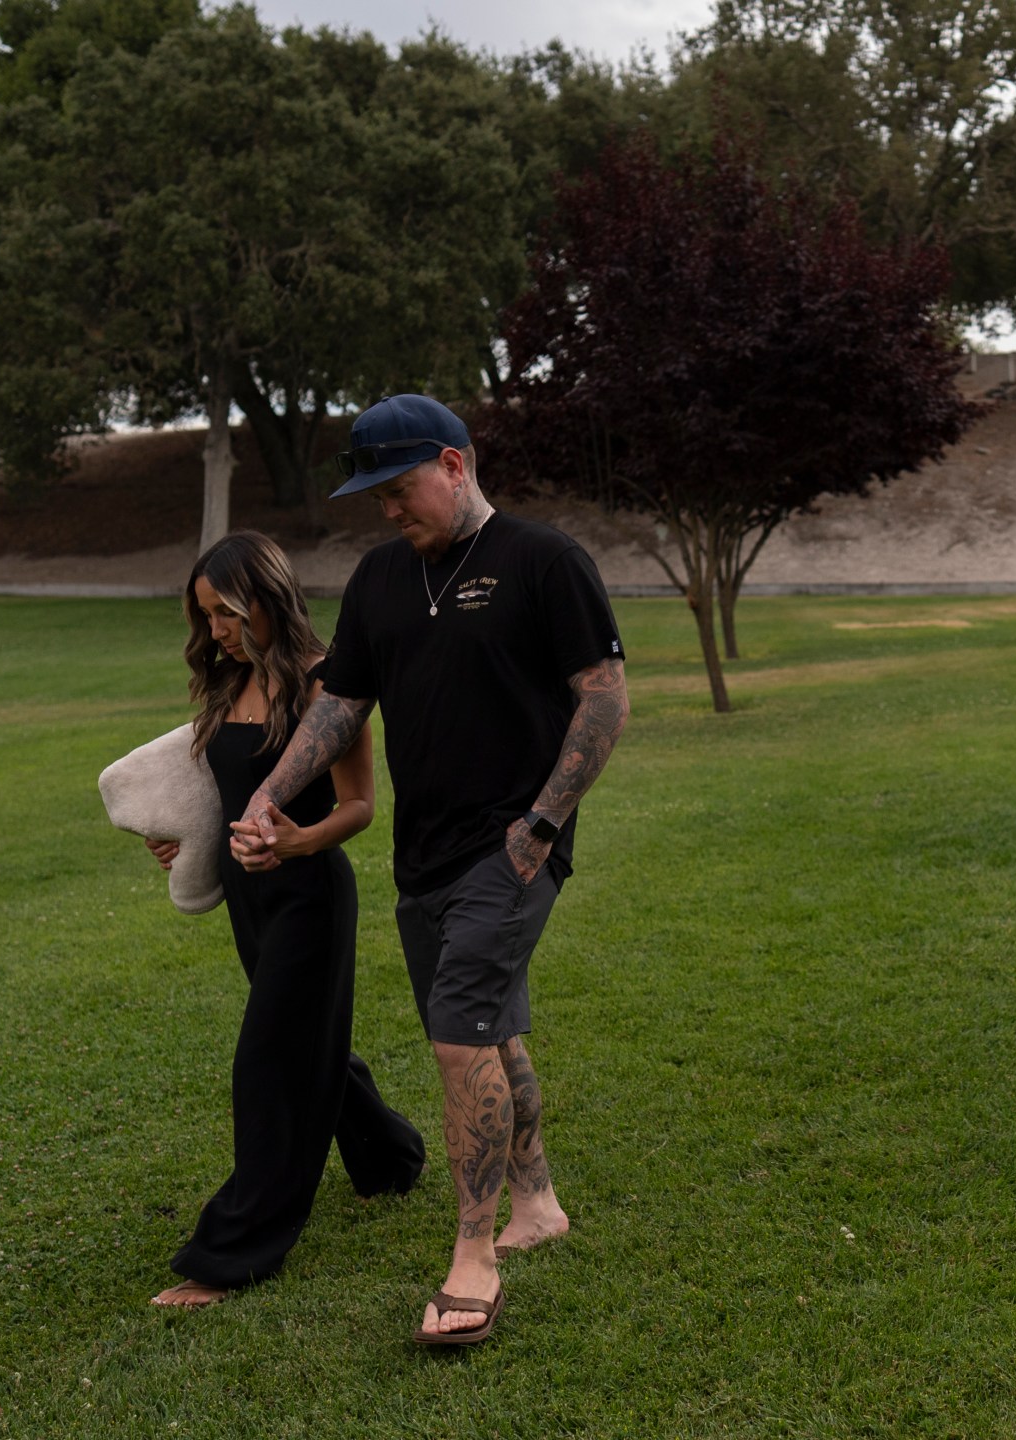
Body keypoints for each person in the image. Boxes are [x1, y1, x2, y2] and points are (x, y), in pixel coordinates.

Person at [232, 394, 628, 1347]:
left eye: (401, 488)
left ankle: (474, 1257)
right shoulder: (377, 579)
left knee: (456, 1039)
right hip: (427, 855)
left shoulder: (544, 561)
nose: (389, 510)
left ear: (455, 464)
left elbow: (604, 700)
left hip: (513, 847)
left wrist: (542, 823)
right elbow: (338, 708)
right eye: (375, 495)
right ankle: (536, 1204)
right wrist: (271, 797)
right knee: (488, 1030)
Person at [146, 530, 428, 1308]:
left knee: (269, 1061)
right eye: (205, 618)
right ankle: (391, 1158)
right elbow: (227, 797)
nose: (216, 633)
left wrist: (302, 838)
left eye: (227, 613)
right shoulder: (229, 683)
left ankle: (233, 1253)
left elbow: (361, 806)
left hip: (311, 897)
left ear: (266, 597)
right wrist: (186, 842)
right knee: (312, 1048)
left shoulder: (326, 685)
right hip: (250, 897)